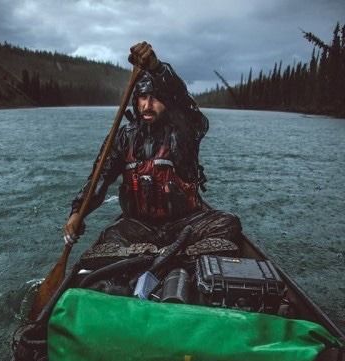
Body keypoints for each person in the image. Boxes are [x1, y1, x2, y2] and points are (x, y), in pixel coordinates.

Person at [64, 42, 241, 249]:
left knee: (228, 224)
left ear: (167, 101)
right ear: (136, 100)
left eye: (155, 98)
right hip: (140, 228)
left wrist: (157, 68)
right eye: (142, 98)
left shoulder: (185, 128)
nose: (147, 105)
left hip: (184, 224)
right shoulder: (123, 137)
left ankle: (168, 256)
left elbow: (182, 98)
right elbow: (100, 177)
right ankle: (169, 254)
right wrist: (78, 212)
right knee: (110, 237)